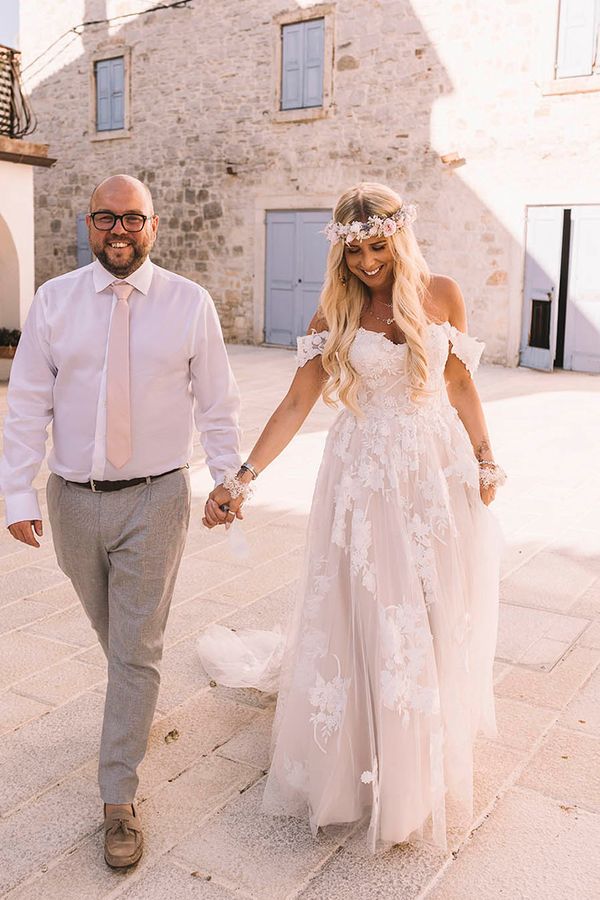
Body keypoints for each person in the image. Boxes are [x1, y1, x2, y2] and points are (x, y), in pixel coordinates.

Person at [199, 182, 505, 852]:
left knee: (430, 609)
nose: (369, 262)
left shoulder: (442, 293)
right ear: (339, 252)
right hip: (363, 480)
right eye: (356, 251)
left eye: (378, 247)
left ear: (398, 237)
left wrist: (485, 457)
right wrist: (240, 480)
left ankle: (420, 757)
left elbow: (458, 383)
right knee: (371, 609)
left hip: (432, 473)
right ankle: (366, 760)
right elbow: (294, 404)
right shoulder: (333, 312)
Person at [0, 175, 242, 869]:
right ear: (88, 225)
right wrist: (17, 494)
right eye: (105, 218)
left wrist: (227, 479)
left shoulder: (189, 305)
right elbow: (26, 409)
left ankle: (118, 797)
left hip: (157, 498)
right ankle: (131, 712)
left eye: (132, 219)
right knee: (122, 641)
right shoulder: (54, 301)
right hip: (72, 499)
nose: (119, 230)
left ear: (154, 227)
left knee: (135, 649)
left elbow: (217, 403)